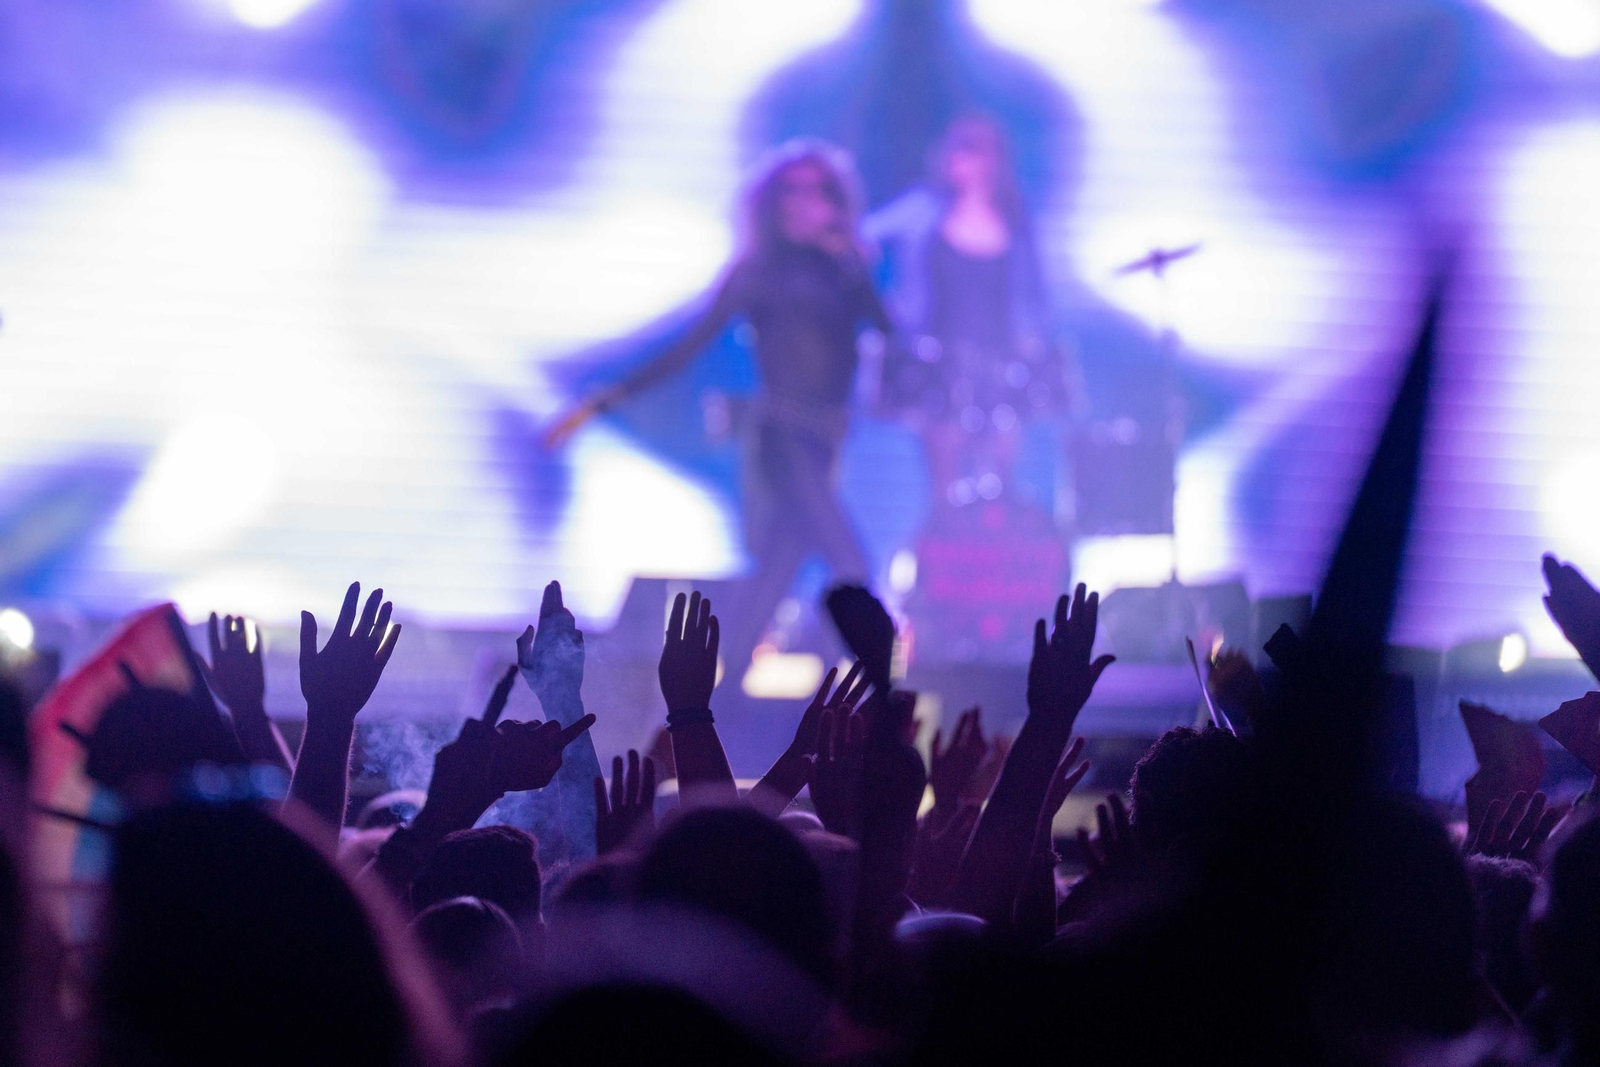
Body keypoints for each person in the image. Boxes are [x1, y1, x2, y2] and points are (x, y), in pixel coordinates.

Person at [546, 139, 893, 687]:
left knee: (774, 578)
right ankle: (882, 698)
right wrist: (601, 400)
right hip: (784, 439)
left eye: (819, 190)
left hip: (826, 443)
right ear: (774, 202)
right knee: (852, 564)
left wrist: (852, 258)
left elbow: (886, 330)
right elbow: (687, 347)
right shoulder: (758, 271)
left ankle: (719, 705)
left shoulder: (842, 269)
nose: (807, 202)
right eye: (793, 190)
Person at [867, 114, 1069, 514]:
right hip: (939, 361)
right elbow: (864, 236)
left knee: (1000, 483)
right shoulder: (924, 208)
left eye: (977, 152)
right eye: (960, 151)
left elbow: (1036, 290)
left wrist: (1034, 339)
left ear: (995, 160)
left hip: (1003, 362)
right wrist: (890, 307)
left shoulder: (1014, 217)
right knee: (944, 486)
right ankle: (944, 563)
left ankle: (994, 561)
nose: (967, 162)